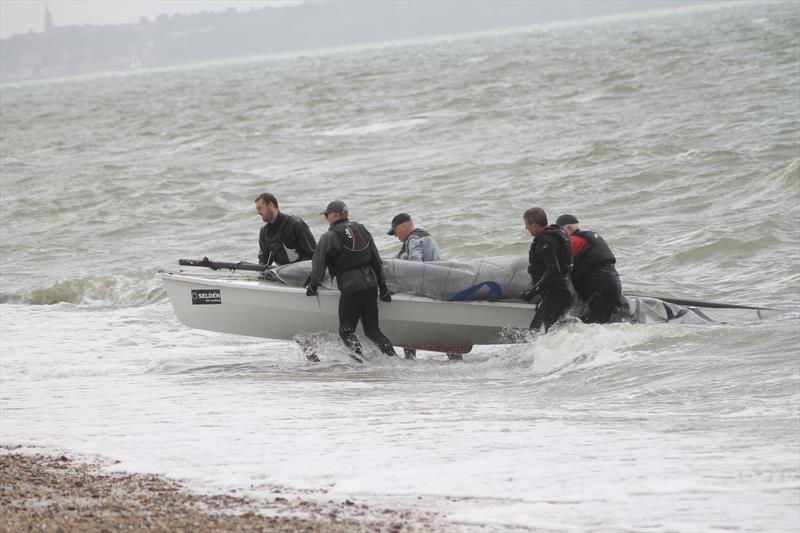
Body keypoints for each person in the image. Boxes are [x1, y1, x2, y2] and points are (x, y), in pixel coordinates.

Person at [305, 200, 398, 359]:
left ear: (334, 215)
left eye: (327, 215)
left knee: (346, 331)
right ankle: (395, 360)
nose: (327, 218)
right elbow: (376, 260)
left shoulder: (330, 236)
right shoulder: (361, 229)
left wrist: (313, 286)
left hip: (351, 288)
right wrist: (383, 289)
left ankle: (361, 363)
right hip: (370, 285)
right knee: (372, 331)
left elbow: (318, 266)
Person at [387, 213, 447, 359]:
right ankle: (454, 357)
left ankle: (410, 360)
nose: (395, 236)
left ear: (404, 226)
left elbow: (415, 265)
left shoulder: (412, 239)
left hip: (428, 287)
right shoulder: (425, 236)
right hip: (441, 283)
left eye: (395, 232)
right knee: (443, 331)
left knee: (408, 324)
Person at [556, 214, 622, 324]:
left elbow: (555, 261)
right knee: (601, 324)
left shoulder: (574, 241)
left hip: (603, 289)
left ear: (568, 228)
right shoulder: (589, 238)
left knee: (590, 324)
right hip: (613, 285)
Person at [521, 207, 573, 333]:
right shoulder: (555, 232)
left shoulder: (546, 240)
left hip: (556, 294)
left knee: (538, 330)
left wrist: (533, 292)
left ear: (534, 225)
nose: (525, 228)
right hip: (558, 292)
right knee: (537, 329)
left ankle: (560, 351)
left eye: (526, 224)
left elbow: (554, 270)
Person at [255, 193, 316, 266]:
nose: (258, 213)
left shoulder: (295, 224)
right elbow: (263, 260)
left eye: (260, 208)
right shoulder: (264, 232)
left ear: (271, 205)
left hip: (304, 271)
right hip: (282, 273)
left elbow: (314, 254)